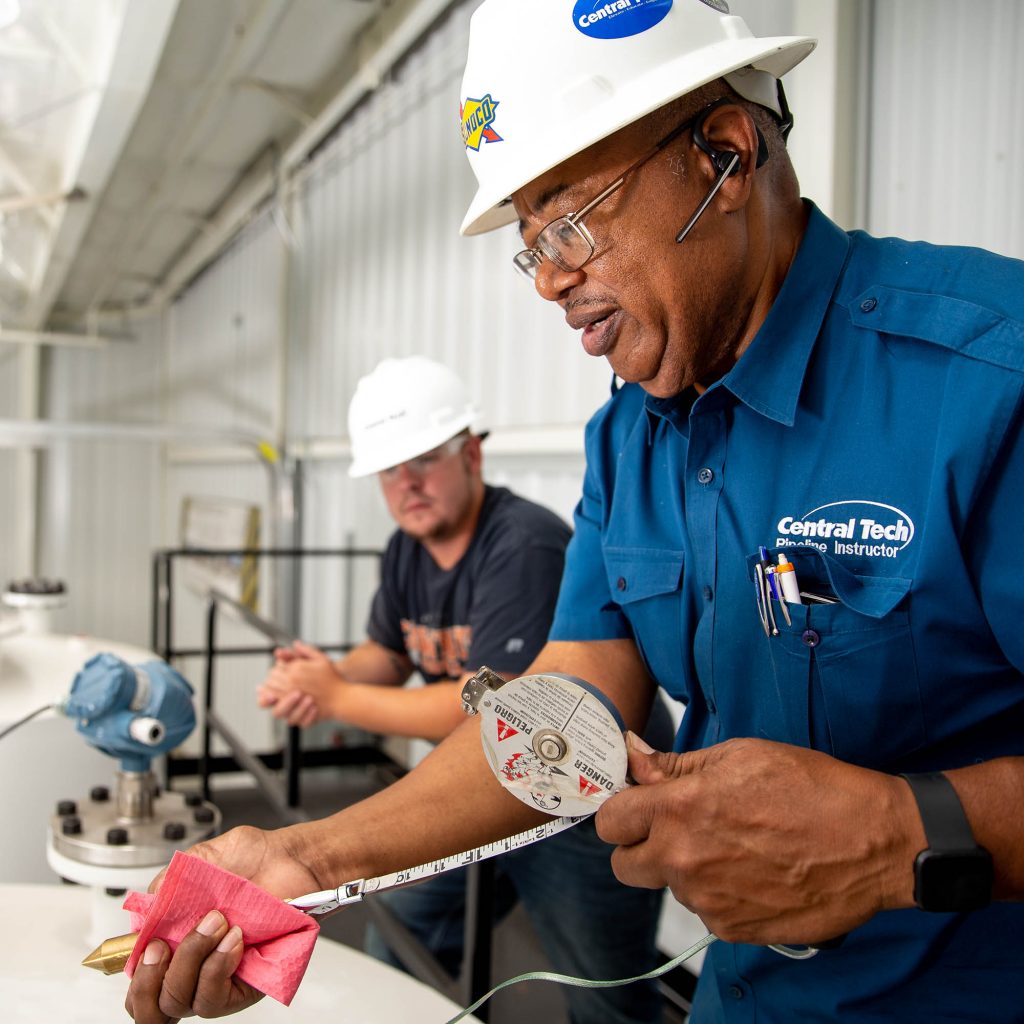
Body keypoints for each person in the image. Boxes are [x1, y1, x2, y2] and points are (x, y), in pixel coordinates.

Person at [125, 3, 1024, 1023]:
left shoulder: (988, 381)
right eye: (526, 241)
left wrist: (898, 833)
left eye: (568, 219)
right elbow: (577, 695)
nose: (549, 278)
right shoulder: (629, 435)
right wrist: (302, 856)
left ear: (724, 156)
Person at [254, 355, 668, 1024]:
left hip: (581, 800)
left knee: (603, 991)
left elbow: (493, 703)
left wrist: (337, 697)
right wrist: (321, 677)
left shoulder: (524, 544)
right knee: (403, 929)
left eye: (425, 459)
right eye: (390, 469)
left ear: (472, 453)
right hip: (480, 786)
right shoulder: (406, 549)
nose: (407, 483)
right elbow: (388, 654)